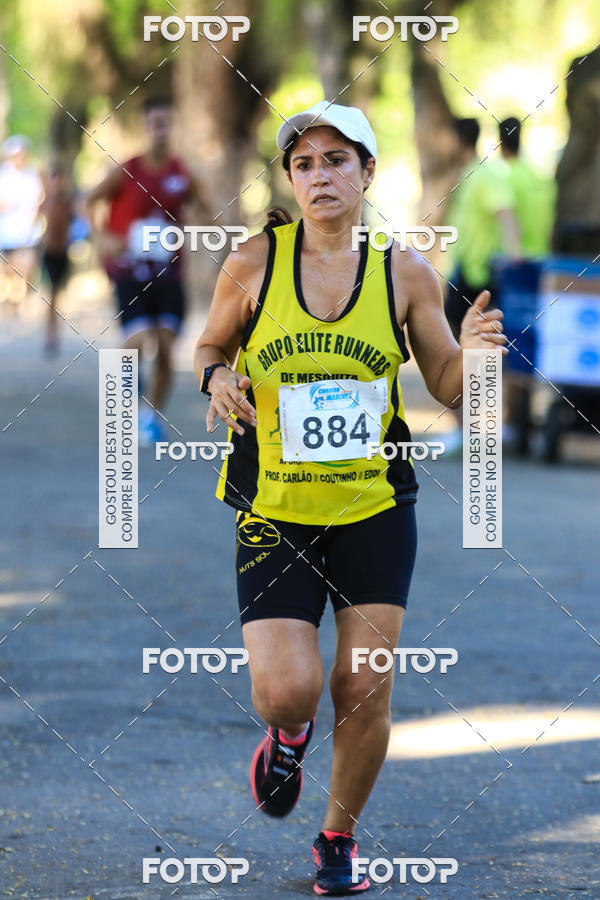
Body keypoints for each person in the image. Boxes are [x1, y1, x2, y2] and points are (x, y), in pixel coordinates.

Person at [194, 100, 507, 896]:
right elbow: (210, 342)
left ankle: (337, 840)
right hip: (275, 507)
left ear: (369, 172)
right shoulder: (253, 261)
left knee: (364, 684)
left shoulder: (404, 270)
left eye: (338, 160)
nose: (320, 175)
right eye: (304, 163)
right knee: (289, 689)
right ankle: (289, 734)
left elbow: (444, 384)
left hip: (374, 508)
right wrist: (218, 375)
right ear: (291, 180)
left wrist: (471, 361)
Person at [86, 97, 211, 444]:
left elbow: (209, 209)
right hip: (131, 273)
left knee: (168, 346)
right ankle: (128, 385)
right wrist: (104, 237)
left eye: (166, 123)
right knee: (138, 342)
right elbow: (89, 200)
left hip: (170, 275)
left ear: (174, 127)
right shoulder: (127, 170)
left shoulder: (181, 173)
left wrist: (196, 227)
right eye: (154, 123)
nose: (160, 130)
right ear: (145, 127)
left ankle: (150, 416)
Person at [442, 116, 520, 451]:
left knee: (476, 349)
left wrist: (513, 254)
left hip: (480, 279)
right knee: (458, 349)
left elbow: (505, 212)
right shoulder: (470, 174)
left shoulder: (484, 174)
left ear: (456, 141)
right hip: (466, 273)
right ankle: (467, 430)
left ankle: (482, 430)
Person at [498, 117, 556, 453]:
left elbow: (507, 223)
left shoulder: (505, 177)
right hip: (542, 270)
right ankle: (519, 424)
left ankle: (510, 425)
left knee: (509, 344)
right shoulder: (541, 177)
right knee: (531, 344)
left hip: (513, 269)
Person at [0, 135, 43, 307]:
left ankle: (18, 306)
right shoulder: (4, 175)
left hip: (26, 234)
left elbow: (38, 200)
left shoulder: (32, 174)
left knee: (22, 270)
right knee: (7, 272)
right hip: (6, 233)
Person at [40, 161, 74, 357]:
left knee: (57, 296)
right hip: (49, 254)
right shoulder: (45, 204)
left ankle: (54, 334)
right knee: (51, 296)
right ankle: (51, 336)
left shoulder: (68, 203)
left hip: (63, 254)